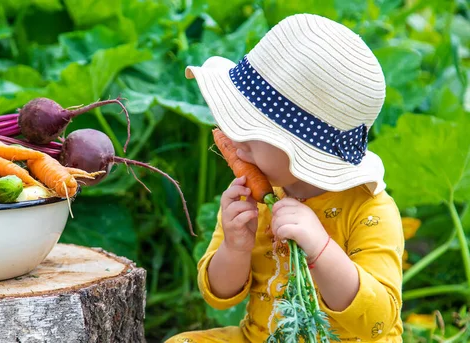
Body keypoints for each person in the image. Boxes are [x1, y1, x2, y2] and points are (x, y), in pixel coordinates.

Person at [165, 13, 404, 343]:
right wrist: (235, 247)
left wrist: (320, 249)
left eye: (249, 132)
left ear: (301, 149)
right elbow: (220, 295)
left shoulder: (369, 210)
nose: (234, 140)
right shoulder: (254, 194)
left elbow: (377, 321)